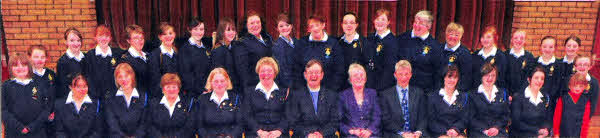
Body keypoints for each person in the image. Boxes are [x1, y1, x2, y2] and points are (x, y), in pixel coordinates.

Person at [2, 53, 54, 137]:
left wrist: (31, 127)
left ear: (29, 67)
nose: (20, 68)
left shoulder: (40, 84)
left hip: (37, 132)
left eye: (23, 65)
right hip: (14, 132)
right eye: (15, 65)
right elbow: (3, 111)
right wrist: (19, 127)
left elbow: (47, 107)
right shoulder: (5, 86)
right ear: (10, 68)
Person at [288, 59, 340, 138]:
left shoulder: (331, 95)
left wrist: (322, 134)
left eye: (317, 72)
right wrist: (308, 134)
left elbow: (335, 122)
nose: (313, 75)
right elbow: (293, 123)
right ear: (305, 75)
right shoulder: (296, 96)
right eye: (310, 72)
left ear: (322, 75)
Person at [395, 10, 442, 93]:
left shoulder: (435, 46)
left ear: (429, 26)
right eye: (415, 22)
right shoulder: (401, 38)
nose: (417, 26)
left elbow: (437, 74)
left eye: (421, 23)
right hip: (400, 88)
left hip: (423, 91)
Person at [294, 14, 344, 91]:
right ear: (308, 29)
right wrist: (302, 89)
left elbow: (339, 70)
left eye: (317, 25)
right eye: (311, 26)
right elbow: (296, 69)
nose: (315, 29)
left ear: (323, 25)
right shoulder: (302, 43)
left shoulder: (333, 43)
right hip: (305, 90)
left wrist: (331, 91)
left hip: (328, 90)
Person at [242, 57, 290, 138]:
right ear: (258, 73)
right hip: (255, 134)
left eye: (269, 71)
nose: (266, 74)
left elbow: (288, 115)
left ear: (275, 73)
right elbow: (247, 115)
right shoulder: (249, 91)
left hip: (278, 134)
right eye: (262, 71)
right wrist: (259, 131)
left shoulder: (284, 92)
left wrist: (279, 131)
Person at [380, 60, 426, 137]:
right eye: (400, 74)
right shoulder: (385, 95)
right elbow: (386, 120)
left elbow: (423, 117)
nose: (404, 77)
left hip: (416, 134)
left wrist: (418, 132)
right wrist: (403, 133)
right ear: (395, 75)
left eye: (406, 74)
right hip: (395, 134)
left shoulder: (419, 93)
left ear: (411, 75)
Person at [195, 68, 243, 137]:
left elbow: (240, 124)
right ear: (210, 82)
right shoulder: (202, 100)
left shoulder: (236, 99)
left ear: (227, 82)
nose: (219, 84)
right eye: (216, 81)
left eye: (222, 81)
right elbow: (199, 126)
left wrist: (230, 136)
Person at [104, 63, 148, 137]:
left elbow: (145, 123)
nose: (123, 79)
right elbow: (112, 125)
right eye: (120, 77)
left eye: (126, 76)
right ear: (116, 80)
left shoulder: (144, 97)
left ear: (132, 76)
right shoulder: (110, 98)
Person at [234, 10, 274, 89]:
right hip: (255, 87)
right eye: (252, 23)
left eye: (258, 22)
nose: (256, 25)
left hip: (271, 85)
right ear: (246, 25)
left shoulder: (268, 39)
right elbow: (243, 73)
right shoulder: (241, 44)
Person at [146, 73, 194, 137]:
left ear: (178, 89)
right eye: (168, 87)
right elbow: (149, 126)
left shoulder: (188, 103)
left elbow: (190, 127)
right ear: (163, 89)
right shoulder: (153, 104)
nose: (171, 90)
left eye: (174, 87)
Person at [468, 63, 510, 137]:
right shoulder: (472, 95)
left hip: (498, 132)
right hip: (478, 132)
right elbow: (471, 118)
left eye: (493, 75)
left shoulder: (503, 93)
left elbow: (505, 115)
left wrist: (496, 127)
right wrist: (485, 130)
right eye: (487, 75)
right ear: (481, 76)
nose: (490, 78)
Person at [339, 63, 381, 137]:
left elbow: (377, 117)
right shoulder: (343, 96)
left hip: (370, 135)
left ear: (365, 79)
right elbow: (339, 121)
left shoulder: (372, 93)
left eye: (361, 75)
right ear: (350, 79)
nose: (359, 78)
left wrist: (369, 130)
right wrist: (351, 131)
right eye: (355, 76)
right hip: (351, 135)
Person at [427, 65, 469, 138]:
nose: (452, 80)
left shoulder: (464, 97)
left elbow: (465, 119)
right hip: (439, 133)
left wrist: (455, 129)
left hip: (458, 133)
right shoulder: (432, 97)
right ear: (443, 78)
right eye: (449, 77)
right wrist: (446, 131)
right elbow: (431, 121)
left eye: (455, 77)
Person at [85, 24, 125, 99]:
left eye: (107, 36)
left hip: (115, 97)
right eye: (100, 36)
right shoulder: (90, 56)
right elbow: (88, 78)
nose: (104, 39)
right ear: (95, 38)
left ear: (110, 38)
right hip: (97, 98)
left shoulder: (117, 54)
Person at [509, 66, 551, 137]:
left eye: (542, 79)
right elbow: (516, 123)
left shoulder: (545, 98)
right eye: (536, 78)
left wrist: (546, 129)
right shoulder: (518, 97)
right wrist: (537, 131)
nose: (539, 81)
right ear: (529, 79)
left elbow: (547, 119)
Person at [552, 73, 595, 138]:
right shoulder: (562, 99)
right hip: (563, 133)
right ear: (569, 86)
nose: (577, 88)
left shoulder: (586, 101)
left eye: (580, 86)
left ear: (585, 87)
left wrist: (583, 135)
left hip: (577, 134)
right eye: (575, 85)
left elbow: (585, 121)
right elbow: (557, 117)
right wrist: (556, 133)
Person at [179, 18, 213, 98]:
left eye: (201, 29)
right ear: (189, 30)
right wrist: (201, 90)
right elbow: (186, 76)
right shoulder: (185, 49)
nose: (199, 32)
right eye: (195, 29)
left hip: (209, 91)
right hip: (194, 95)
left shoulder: (206, 48)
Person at [367, 9, 397, 91]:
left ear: (388, 22)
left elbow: (389, 69)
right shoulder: (370, 38)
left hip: (383, 87)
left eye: (383, 19)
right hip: (368, 84)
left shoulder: (392, 41)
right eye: (377, 19)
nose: (379, 22)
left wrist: (377, 89)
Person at [472, 26, 508, 91]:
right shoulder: (475, 55)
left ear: (494, 39)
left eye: (488, 37)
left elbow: (502, 79)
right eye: (483, 37)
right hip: (476, 94)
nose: (485, 40)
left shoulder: (501, 56)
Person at [149, 22, 180, 98]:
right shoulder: (154, 55)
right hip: (162, 96)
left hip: (178, 95)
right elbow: (155, 81)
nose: (168, 36)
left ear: (174, 35)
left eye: (170, 33)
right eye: (164, 34)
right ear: (160, 37)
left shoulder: (178, 54)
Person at [211, 18, 242, 93]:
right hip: (225, 90)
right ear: (222, 32)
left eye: (233, 29)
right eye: (228, 30)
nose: (231, 32)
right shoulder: (218, 50)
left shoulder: (234, 47)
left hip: (236, 89)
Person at [440, 22, 472, 92]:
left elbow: (466, 78)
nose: (453, 37)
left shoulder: (465, 53)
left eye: (457, 35)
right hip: (437, 91)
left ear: (461, 36)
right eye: (451, 34)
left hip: (455, 92)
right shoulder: (438, 48)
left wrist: (452, 92)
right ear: (446, 34)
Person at [120, 24, 152, 95]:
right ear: (128, 40)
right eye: (136, 38)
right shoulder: (125, 60)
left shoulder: (149, 56)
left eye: (141, 38)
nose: (140, 41)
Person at [339, 12, 367, 90]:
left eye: (352, 23)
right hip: (341, 88)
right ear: (342, 25)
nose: (348, 25)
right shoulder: (337, 43)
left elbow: (368, 68)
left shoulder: (364, 43)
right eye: (345, 23)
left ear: (356, 25)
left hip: (359, 87)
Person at [56, 27, 86, 98]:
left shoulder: (86, 58)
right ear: (66, 42)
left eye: (78, 40)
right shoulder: (62, 62)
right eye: (72, 40)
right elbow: (63, 86)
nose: (76, 43)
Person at [273, 13, 300, 89]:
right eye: (281, 26)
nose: (285, 28)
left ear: (291, 26)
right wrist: (289, 87)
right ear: (277, 28)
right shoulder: (277, 46)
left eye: (287, 25)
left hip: (299, 82)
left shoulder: (296, 42)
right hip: (287, 86)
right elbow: (282, 70)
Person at [506, 29, 535, 95]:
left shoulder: (529, 57)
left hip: (522, 95)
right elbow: (502, 76)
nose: (518, 40)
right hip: (507, 95)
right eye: (515, 38)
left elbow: (529, 78)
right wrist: (507, 94)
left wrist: (520, 94)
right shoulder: (505, 55)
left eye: (521, 38)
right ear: (511, 40)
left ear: (525, 41)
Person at [534, 36, 564, 102]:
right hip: (534, 99)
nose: (547, 50)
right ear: (540, 47)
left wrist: (547, 98)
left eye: (551, 47)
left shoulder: (559, 65)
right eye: (544, 46)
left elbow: (558, 85)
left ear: (555, 48)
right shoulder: (533, 62)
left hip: (551, 102)